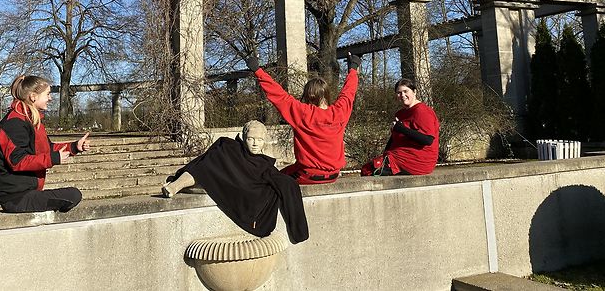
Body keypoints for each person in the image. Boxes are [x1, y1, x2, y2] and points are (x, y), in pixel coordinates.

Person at [163, 120, 309, 243]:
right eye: (251, 139)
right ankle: (176, 185)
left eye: (259, 140)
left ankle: (177, 184)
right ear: (244, 137)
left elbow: (289, 185)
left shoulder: (265, 165)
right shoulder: (229, 148)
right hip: (215, 174)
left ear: (264, 141)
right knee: (206, 164)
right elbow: (205, 161)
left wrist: (299, 231)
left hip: (231, 189)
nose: (255, 144)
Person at [246, 52, 360, 184]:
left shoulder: (302, 113)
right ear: (326, 95)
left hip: (308, 175)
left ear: (307, 95)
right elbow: (349, 92)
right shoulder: (340, 112)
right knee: (289, 171)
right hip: (334, 175)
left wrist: (257, 70)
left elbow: (278, 95)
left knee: (270, 181)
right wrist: (353, 68)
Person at [0, 75, 91, 213]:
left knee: (72, 195)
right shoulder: (13, 123)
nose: (50, 98)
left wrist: (74, 147)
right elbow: (18, 161)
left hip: (28, 192)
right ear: (33, 96)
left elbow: (47, 148)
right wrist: (52, 159)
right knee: (73, 195)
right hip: (14, 197)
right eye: (47, 94)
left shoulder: (32, 121)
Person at [360, 78, 439, 176]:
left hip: (417, 160)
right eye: (399, 93)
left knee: (368, 171)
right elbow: (393, 139)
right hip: (398, 156)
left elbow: (427, 140)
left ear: (414, 92)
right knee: (367, 169)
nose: (402, 95)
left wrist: (402, 129)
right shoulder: (400, 114)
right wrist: (385, 154)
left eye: (406, 91)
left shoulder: (422, 111)